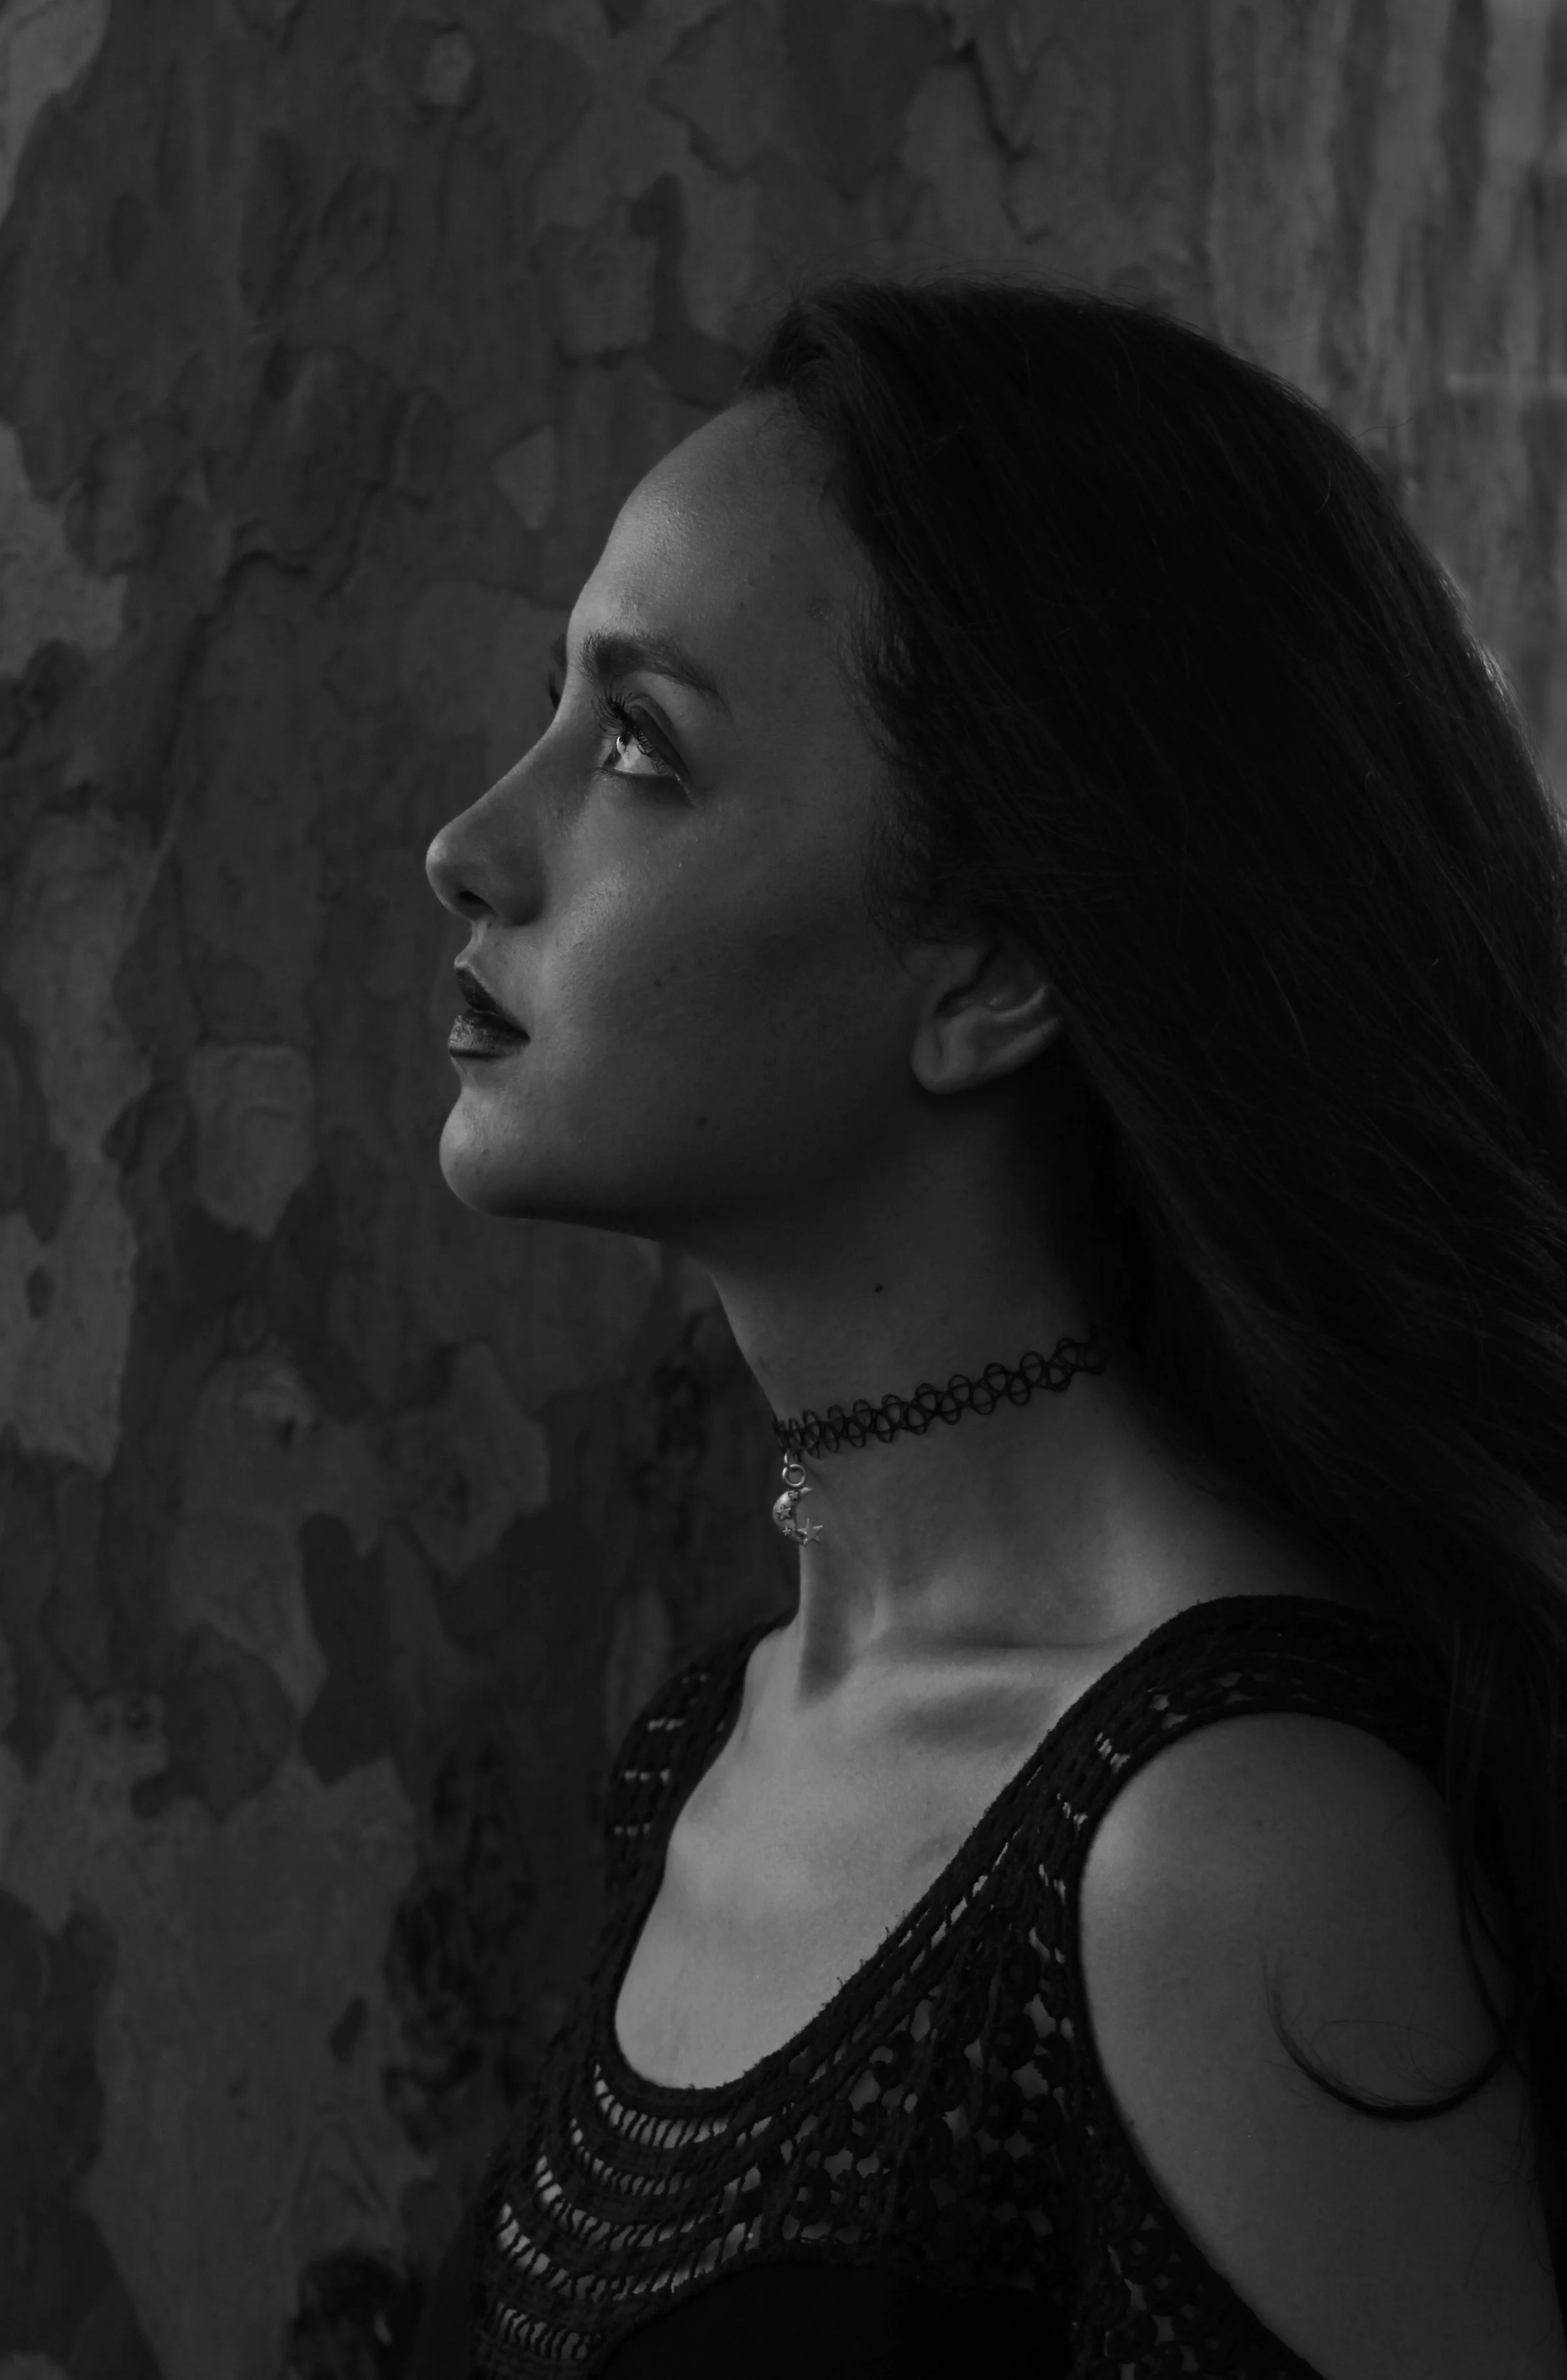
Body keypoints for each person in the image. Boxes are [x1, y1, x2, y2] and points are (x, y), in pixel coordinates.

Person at [415, 275, 1567, 2377]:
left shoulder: (1226, 1848)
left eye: (640, 748)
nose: (471, 844)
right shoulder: (716, 1737)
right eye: (557, 719)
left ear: (991, 969)